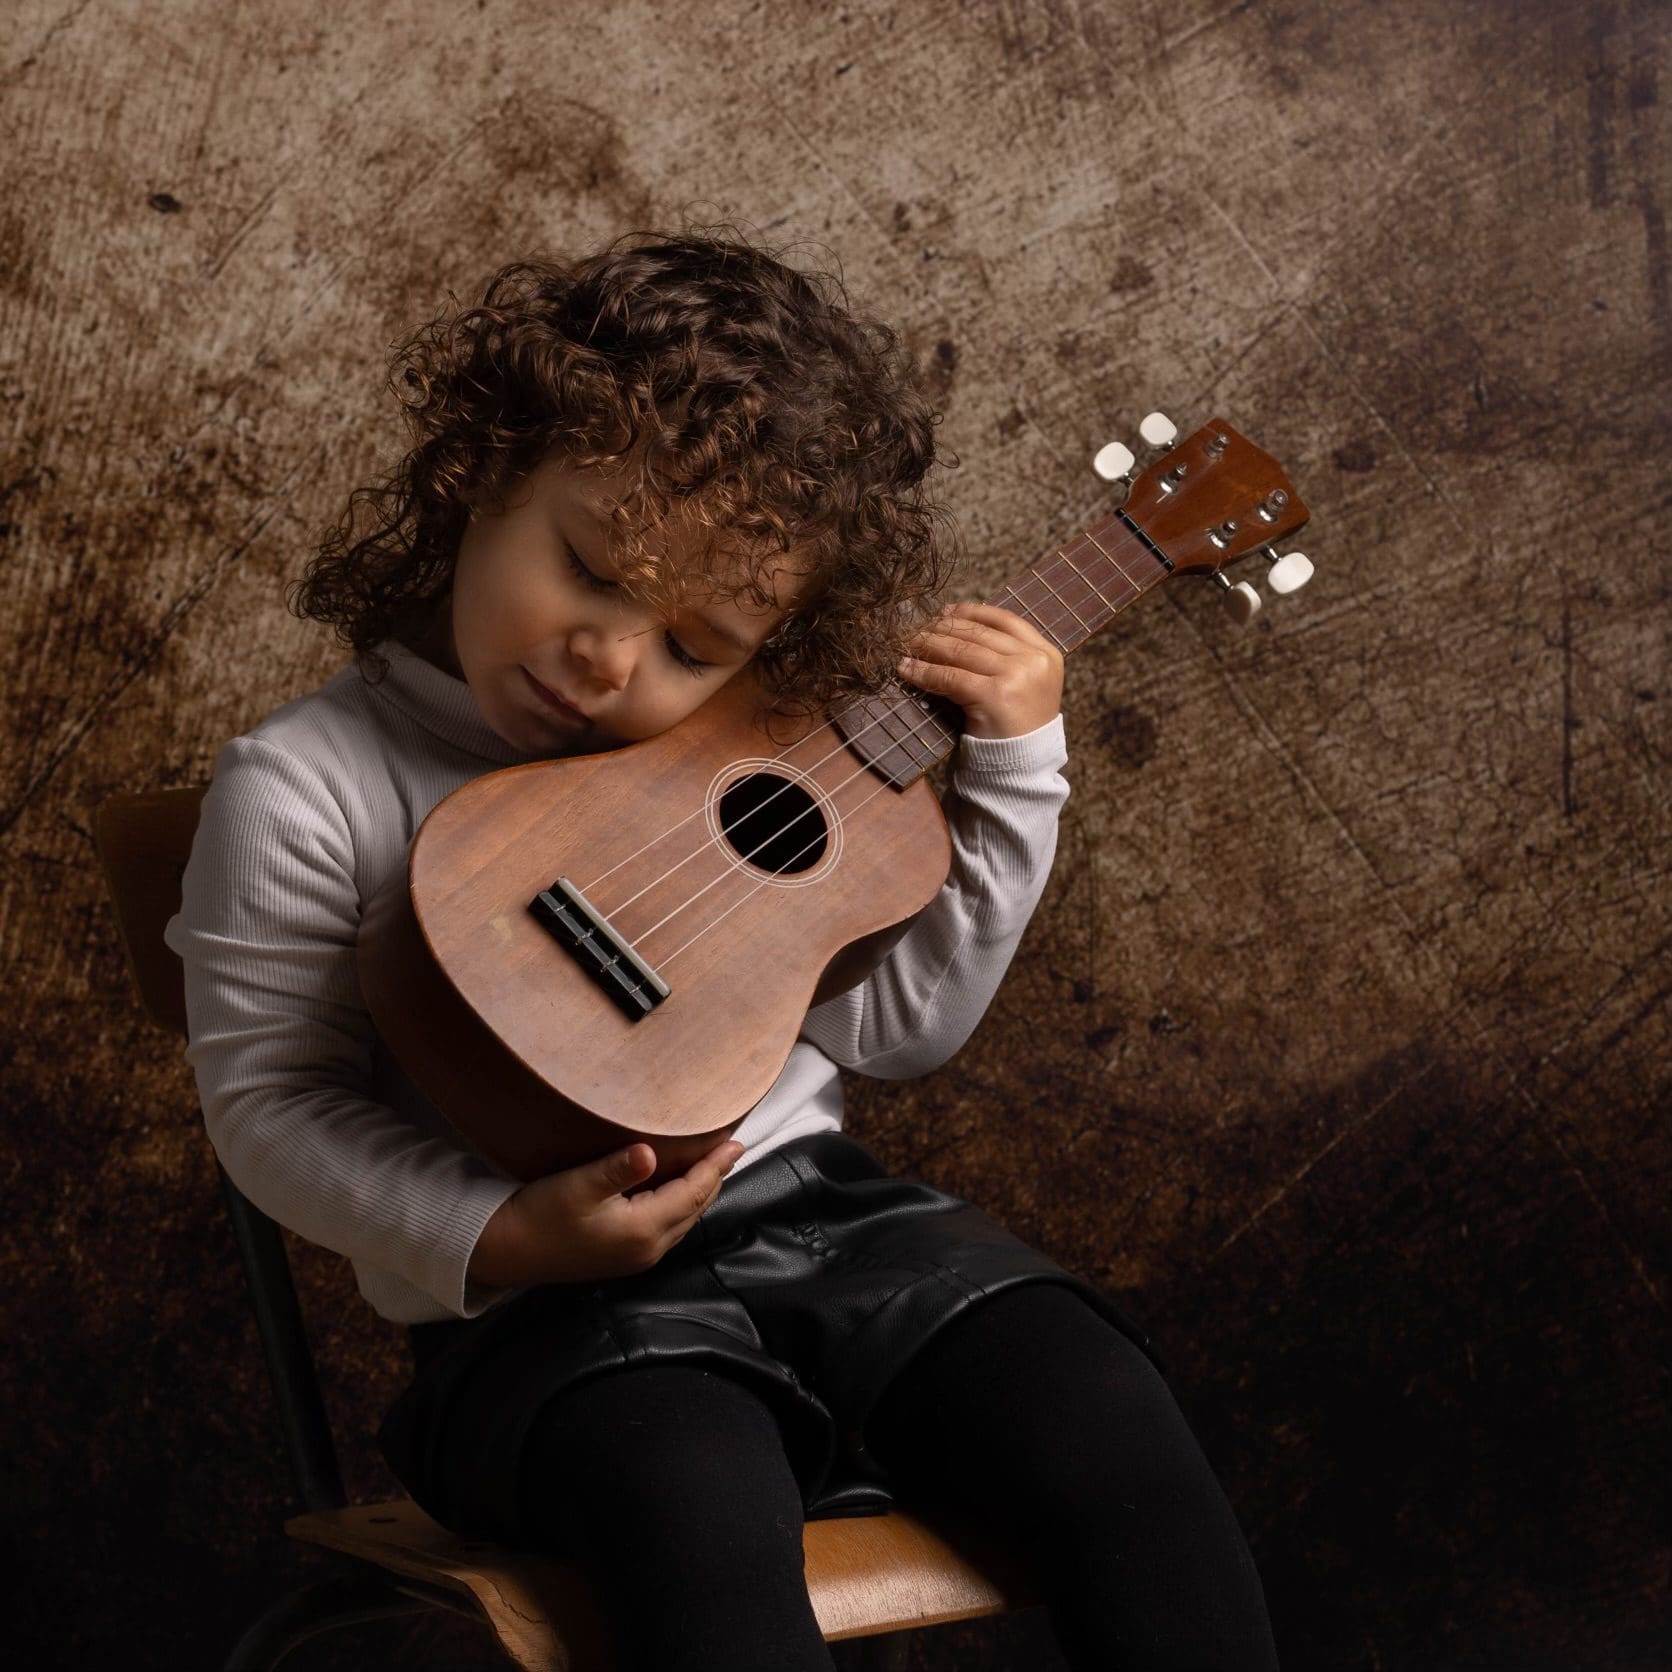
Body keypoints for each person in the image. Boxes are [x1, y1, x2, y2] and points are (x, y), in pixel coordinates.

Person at [166, 230, 1279, 1671]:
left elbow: (901, 1030)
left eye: (698, 645)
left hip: (829, 1227)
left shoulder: (756, 745)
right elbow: (268, 1111)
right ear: (481, 473)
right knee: (690, 1489)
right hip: (542, 1319)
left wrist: (1018, 768)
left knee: (1103, 1412)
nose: (612, 665)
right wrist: (504, 1235)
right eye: (590, 570)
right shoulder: (307, 788)